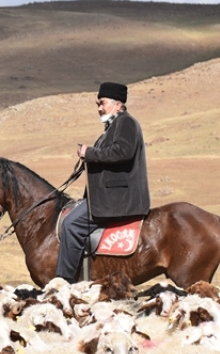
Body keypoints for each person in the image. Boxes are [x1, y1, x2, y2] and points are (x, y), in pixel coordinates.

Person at [55, 81, 151, 282]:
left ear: (118, 104)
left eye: (102, 103)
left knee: (71, 224)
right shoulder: (114, 126)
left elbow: (122, 152)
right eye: (98, 104)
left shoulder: (125, 123)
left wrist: (89, 152)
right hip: (111, 196)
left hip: (117, 199)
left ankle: (65, 282)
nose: (99, 108)